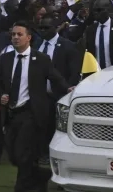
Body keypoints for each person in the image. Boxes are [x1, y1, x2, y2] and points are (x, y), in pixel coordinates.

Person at [0, 22, 69, 192]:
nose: (15, 37)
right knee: (13, 156)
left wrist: (70, 90)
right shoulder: (5, 59)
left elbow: (56, 78)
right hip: (12, 113)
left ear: (29, 37)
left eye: (19, 34)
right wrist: (1, 95)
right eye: (12, 34)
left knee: (23, 155)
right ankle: (40, 175)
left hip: (31, 113)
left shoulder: (41, 59)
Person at [35, 15, 81, 161]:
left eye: (46, 28)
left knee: (58, 128)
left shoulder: (67, 46)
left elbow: (74, 72)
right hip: (40, 95)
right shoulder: (36, 45)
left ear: (55, 28)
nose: (42, 31)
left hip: (60, 95)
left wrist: (67, 90)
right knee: (41, 126)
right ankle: (42, 154)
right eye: (40, 27)